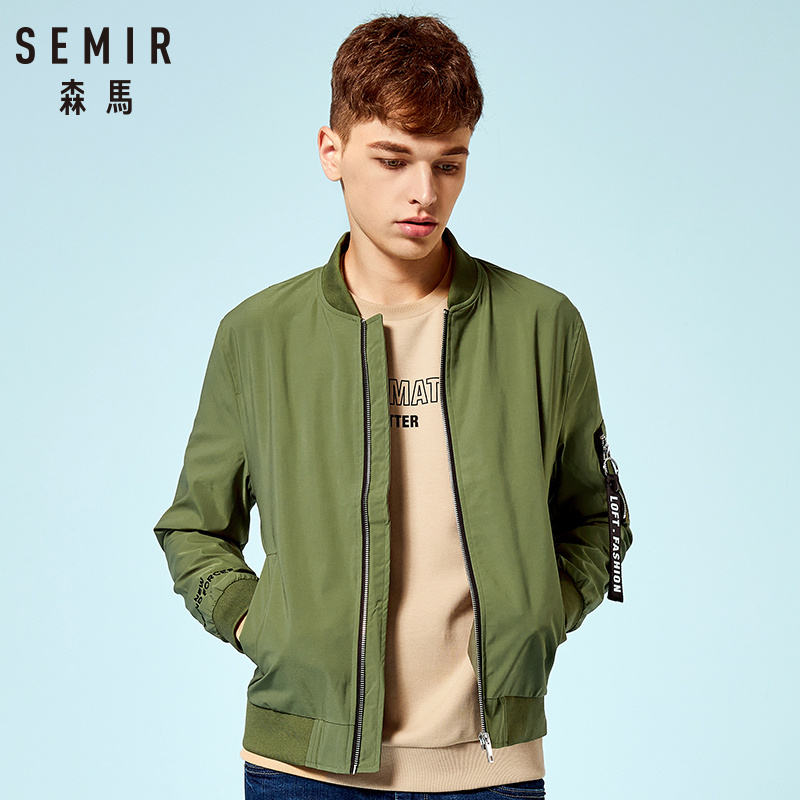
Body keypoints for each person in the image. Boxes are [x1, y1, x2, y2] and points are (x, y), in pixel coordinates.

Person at [155, 14, 632, 799]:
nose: (424, 192)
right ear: (331, 153)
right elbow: (192, 527)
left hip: (493, 773)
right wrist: (256, 623)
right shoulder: (259, 335)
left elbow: (597, 516)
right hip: (303, 771)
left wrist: (540, 617)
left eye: (449, 163)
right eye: (393, 159)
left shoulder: (542, 326)